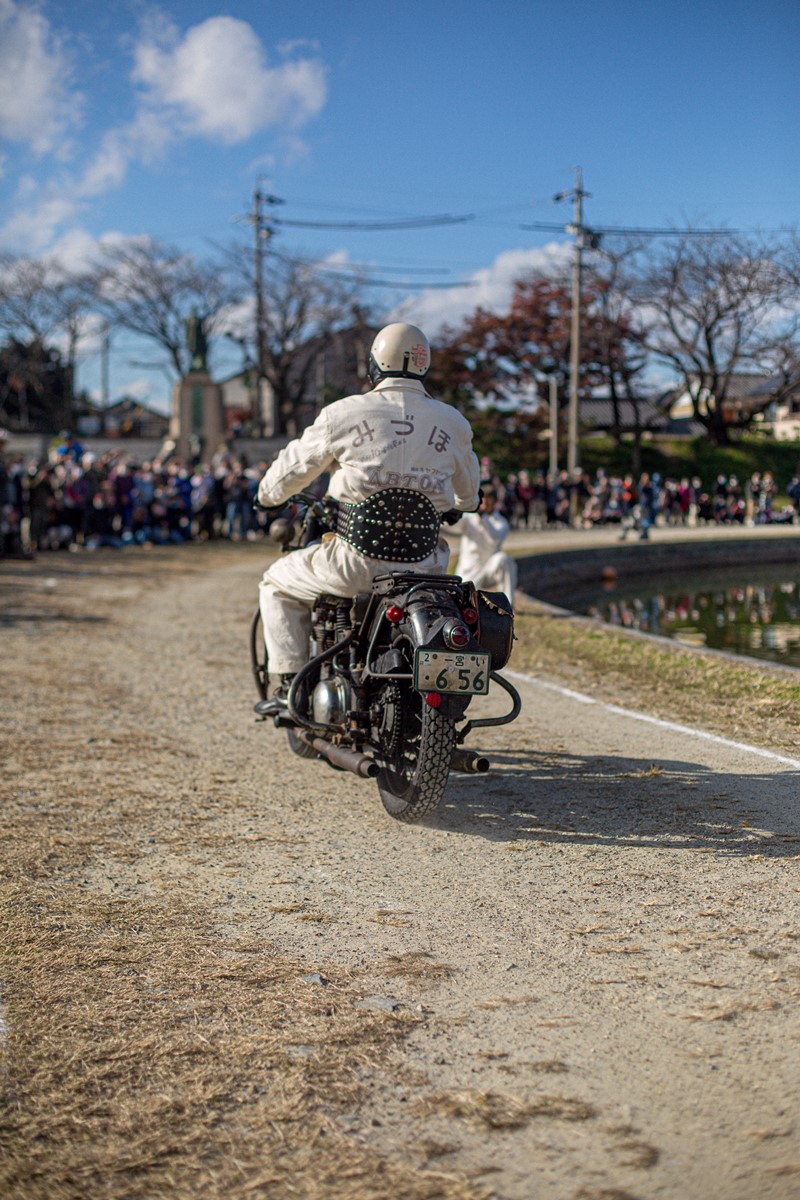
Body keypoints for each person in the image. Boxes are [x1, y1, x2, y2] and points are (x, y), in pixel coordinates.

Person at [255, 322, 481, 713]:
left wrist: (266, 496)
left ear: (374, 365)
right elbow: (470, 495)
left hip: (354, 564)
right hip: (426, 568)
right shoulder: (453, 422)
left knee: (275, 583)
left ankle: (290, 684)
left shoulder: (343, 413)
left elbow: (293, 469)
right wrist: (460, 504)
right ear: (424, 367)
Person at [452, 485, 517, 599]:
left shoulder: (501, 522)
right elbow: (453, 527)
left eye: (488, 502)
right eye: (482, 501)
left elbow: (495, 539)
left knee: (505, 559)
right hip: (469, 571)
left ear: (495, 502)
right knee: (462, 601)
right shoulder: (468, 518)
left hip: (488, 569)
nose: (484, 504)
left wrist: (483, 518)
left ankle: (508, 603)